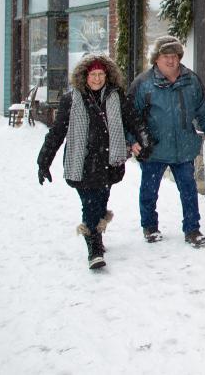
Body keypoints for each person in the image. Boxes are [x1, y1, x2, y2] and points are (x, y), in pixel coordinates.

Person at [37, 54, 143, 270]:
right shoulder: (71, 100)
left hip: (108, 162)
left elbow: (133, 120)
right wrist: (44, 161)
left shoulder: (116, 97)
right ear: (84, 76)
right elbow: (57, 132)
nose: (97, 79)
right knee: (90, 204)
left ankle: (96, 236)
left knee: (101, 202)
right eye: (93, 74)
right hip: (82, 162)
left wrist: (143, 140)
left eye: (101, 74)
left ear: (107, 75)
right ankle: (94, 250)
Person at [128, 35, 205, 247]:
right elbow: (130, 115)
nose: (171, 60)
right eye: (166, 56)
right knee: (149, 190)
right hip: (154, 148)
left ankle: (192, 229)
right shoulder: (143, 84)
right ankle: (150, 227)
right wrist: (132, 140)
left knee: (188, 189)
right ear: (156, 59)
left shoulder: (191, 80)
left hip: (183, 146)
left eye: (175, 56)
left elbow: (201, 108)